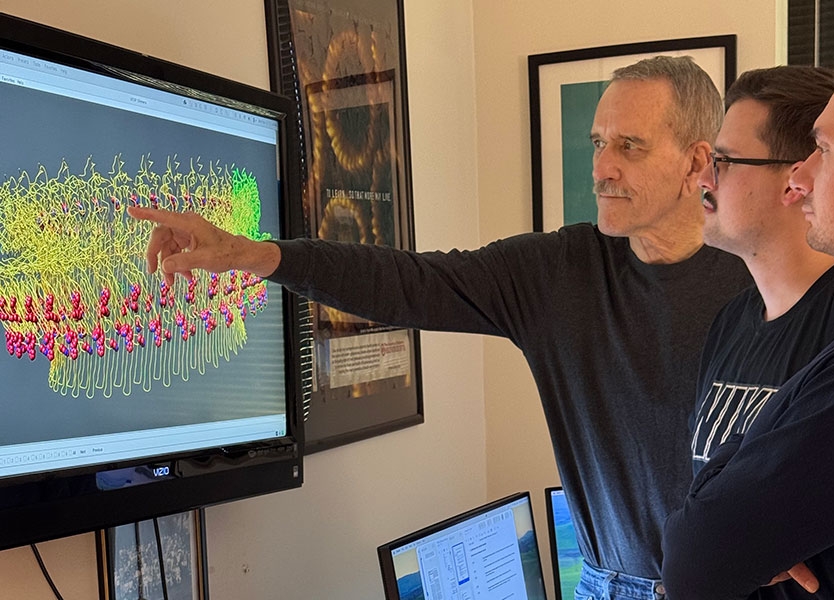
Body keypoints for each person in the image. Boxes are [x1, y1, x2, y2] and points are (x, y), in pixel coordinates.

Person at [130, 56, 751, 600]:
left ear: (698, 162)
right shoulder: (559, 272)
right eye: (597, 143)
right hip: (603, 584)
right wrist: (255, 255)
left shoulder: (761, 279)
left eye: (629, 147)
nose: (603, 168)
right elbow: (409, 282)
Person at [662, 15, 834, 599]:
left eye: (824, 149)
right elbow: (699, 509)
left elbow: (696, 554)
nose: (805, 174)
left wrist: (728, 512)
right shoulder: (738, 322)